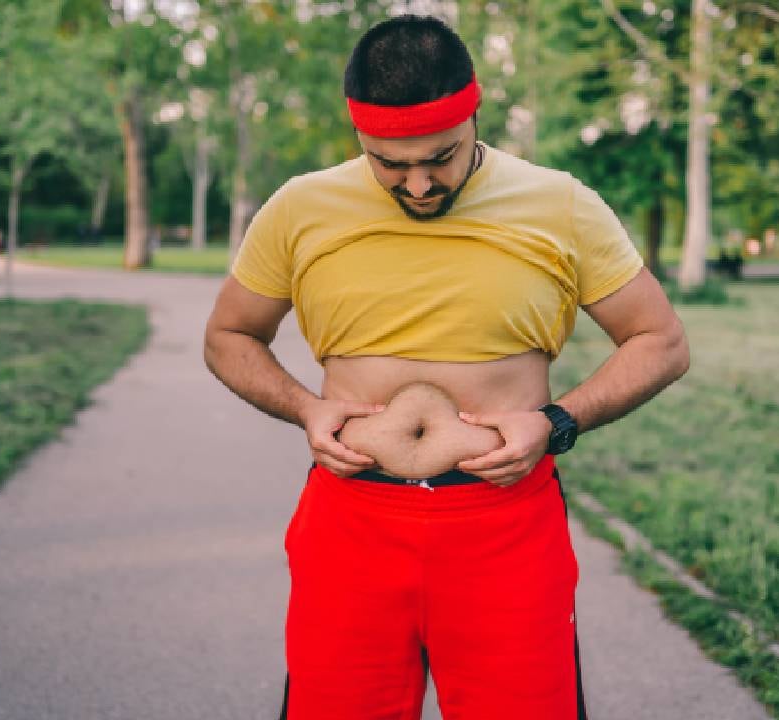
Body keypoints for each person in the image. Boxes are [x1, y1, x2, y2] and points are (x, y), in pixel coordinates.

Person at [203, 16, 689, 719]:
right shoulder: (300, 208)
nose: (420, 184)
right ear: (358, 136)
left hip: (505, 529)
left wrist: (557, 421)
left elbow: (661, 340)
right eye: (390, 164)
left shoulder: (560, 204)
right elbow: (228, 335)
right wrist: (306, 408)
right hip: (350, 526)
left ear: (475, 110)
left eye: (442, 157)